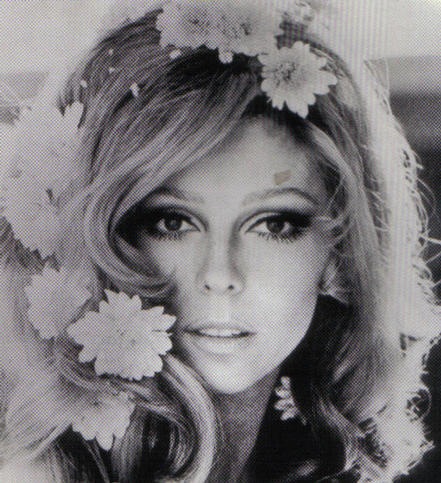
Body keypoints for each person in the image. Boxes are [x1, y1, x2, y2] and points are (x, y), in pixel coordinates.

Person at [0, 1, 439, 481]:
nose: (221, 276)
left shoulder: (325, 462)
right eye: (171, 222)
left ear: (338, 253)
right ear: (98, 237)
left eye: (274, 225)